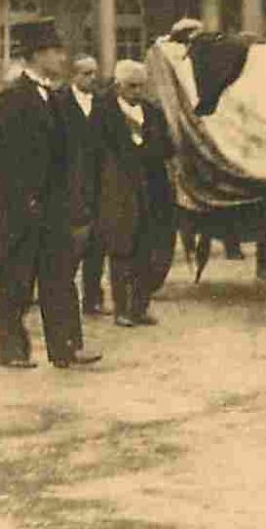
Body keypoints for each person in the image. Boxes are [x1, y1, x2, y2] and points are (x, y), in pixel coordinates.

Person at [0, 19, 101, 369]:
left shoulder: (55, 97)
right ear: (37, 54)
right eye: (56, 51)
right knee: (15, 280)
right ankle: (13, 349)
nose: (62, 57)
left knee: (60, 279)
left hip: (53, 207)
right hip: (21, 207)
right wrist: (18, 199)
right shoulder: (13, 99)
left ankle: (67, 347)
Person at [97, 60, 175, 328]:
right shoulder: (103, 111)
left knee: (147, 248)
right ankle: (121, 308)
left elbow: (167, 147)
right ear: (118, 85)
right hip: (118, 189)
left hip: (151, 189)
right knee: (121, 249)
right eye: (131, 86)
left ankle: (140, 307)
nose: (137, 91)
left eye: (141, 86)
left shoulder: (152, 112)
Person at [63, 54, 109, 315]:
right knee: (69, 245)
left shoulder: (103, 104)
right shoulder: (61, 102)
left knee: (97, 244)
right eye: (87, 73)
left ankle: (93, 297)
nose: (92, 78)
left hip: (98, 182)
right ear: (75, 75)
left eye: (95, 73)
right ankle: (63, 297)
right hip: (69, 183)